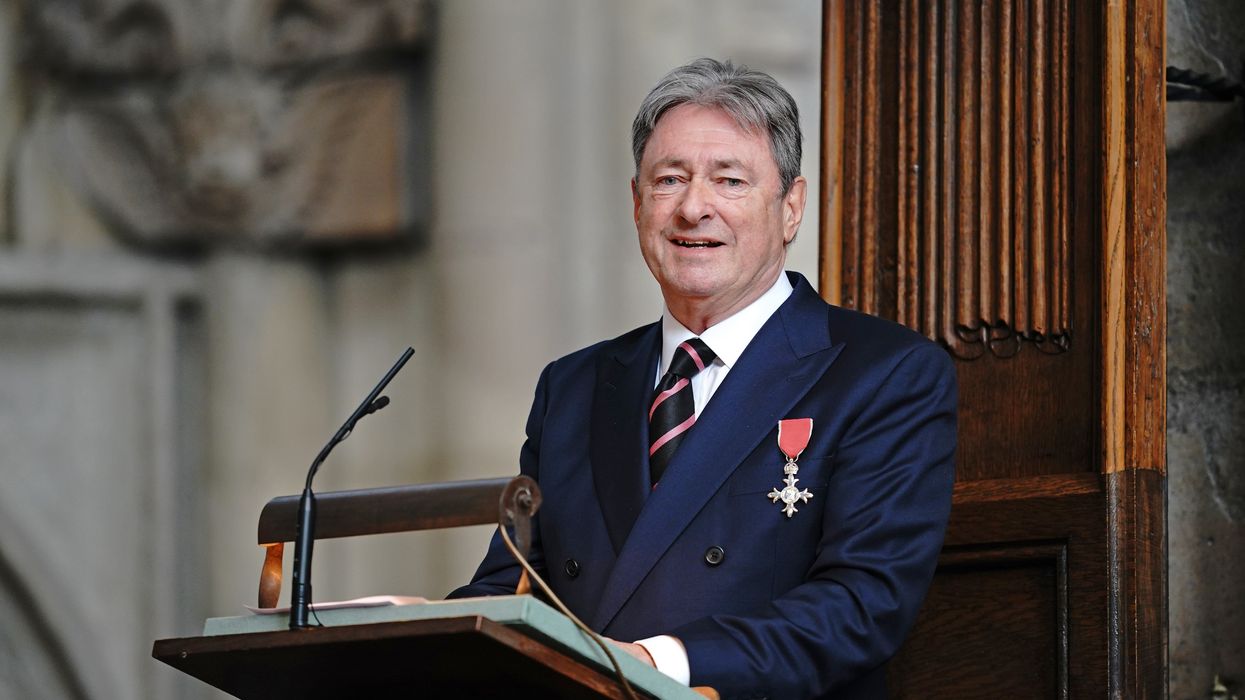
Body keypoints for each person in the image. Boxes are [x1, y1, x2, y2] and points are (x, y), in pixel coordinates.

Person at [449, 57, 956, 700]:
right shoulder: (573, 387)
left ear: (791, 207)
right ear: (637, 204)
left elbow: (863, 604)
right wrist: (404, 636)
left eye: (730, 180)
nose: (694, 207)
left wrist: (657, 662)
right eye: (669, 179)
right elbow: (513, 589)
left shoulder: (884, 374)